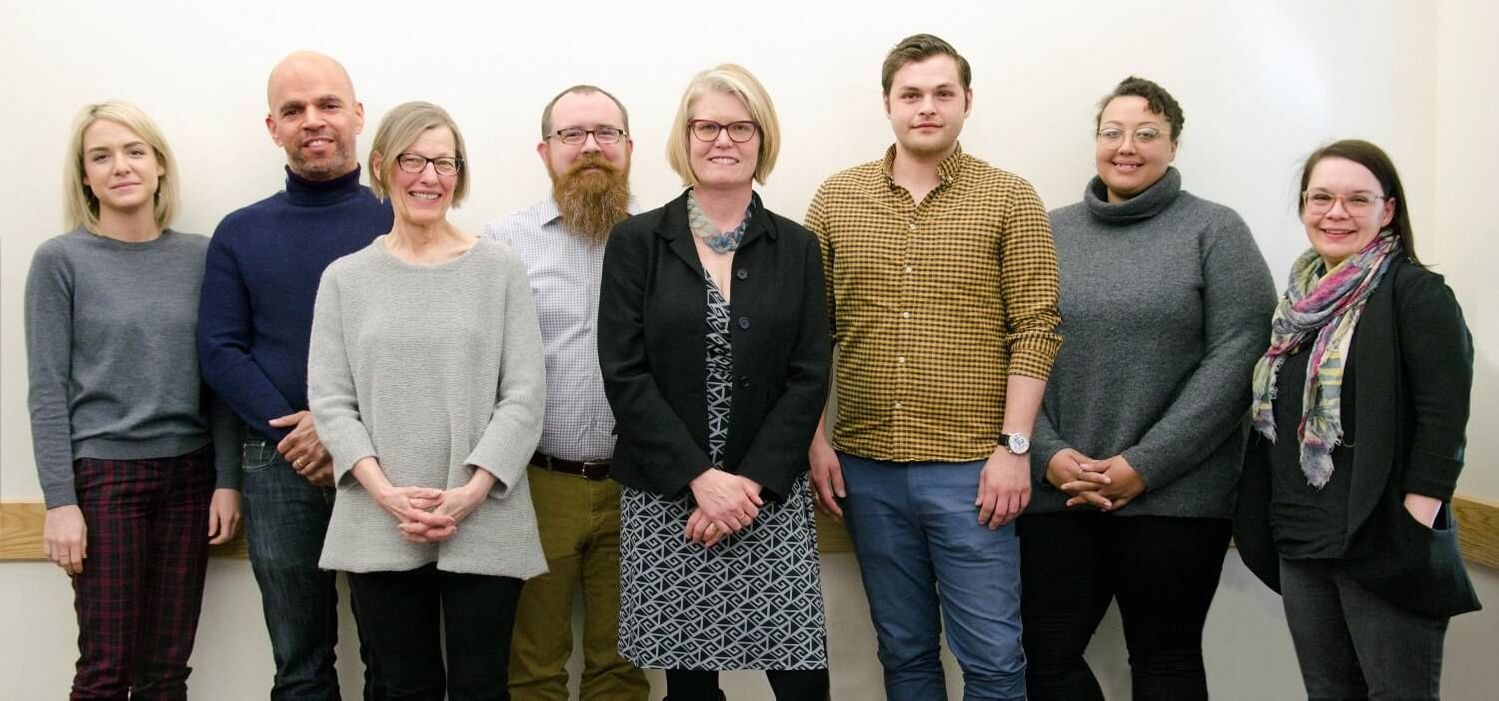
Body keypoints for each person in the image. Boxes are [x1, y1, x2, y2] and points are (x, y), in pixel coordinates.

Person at [803, 34, 1061, 700]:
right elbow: (805, 334)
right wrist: (814, 439)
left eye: (942, 93)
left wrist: (1014, 448)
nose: (926, 107)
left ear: (966, 102)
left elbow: (1036, 328)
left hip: (973, 469)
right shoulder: (836, 199)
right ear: (886, 103)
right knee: (904, 652)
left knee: (996, 660)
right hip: (865, 466)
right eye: (910, 94)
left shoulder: (1009, 198)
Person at [1018, 77, 1275, 700]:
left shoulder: (1215, 230)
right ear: (1096, 143)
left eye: (1146, 133)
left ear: (1174, 145)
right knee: (1043, 659)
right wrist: (1048, 455)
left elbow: (1240, 354)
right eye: (1112, 132)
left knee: (1165, 661)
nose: (1126, 146)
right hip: (1062, 493)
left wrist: (1145, 464)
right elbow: (1017, 344)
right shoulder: (1047, 230)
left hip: (1177, 500)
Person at [598, 64, 831, 701]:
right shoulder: (637, 242)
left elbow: (809, 375)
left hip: (770, 497)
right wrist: (701, 481)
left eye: (740, 126)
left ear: (763, 138)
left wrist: (747, 485)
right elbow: (624, 373)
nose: (722, 139)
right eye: (707, 126)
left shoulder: (799, 247)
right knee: (691, 690)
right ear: (685, 136)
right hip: (671, 497)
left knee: (801, 683)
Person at [309, 100, 548, 701]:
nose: (430, 176)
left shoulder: (498, 268)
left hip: (485, 514)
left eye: (445, 162)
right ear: (383, 166)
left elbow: (524, 393)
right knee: (403, 687)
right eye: (413, 160)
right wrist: (386, 493)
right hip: (379, 517)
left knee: (481, 688)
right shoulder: (345, 278)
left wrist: (471, 491)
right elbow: (332, 403)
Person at [1234, 139, 1480, 700]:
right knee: (1329, 693)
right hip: (1300, 540)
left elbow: (1444, 426)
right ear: (1303, 207)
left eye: (1356, 199)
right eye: (1321, 197)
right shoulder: (1296, 309)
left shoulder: (1417, 295)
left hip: (1383, 541)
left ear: (1387, 209)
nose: (1335, 213)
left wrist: (1413, 529)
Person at [26, 100, 241, 699]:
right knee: (105, 671)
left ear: (159, 166)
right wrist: (60, 502)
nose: (120, 166)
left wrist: (227, 479)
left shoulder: (202, 257)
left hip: (189, 478)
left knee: (166, 674)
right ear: (86, 176)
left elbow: (219, 377)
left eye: (134, 151)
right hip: (105, 481)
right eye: (102, 156)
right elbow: (46, 389)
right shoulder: (60, 261)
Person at [197, 50, 389, 698]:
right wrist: (297, 429)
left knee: (395, 656)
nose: (313, 120)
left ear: (358, 115)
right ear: (272, 126)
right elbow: (221, 348)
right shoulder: (240, 232)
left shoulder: (398, 221)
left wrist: (338, 426)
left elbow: (419, 347)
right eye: (293, 109)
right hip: (277, 460)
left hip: (384, 456)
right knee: (300, 663)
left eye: (328, 104)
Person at [483, 84, 649, 701]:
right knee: (534, 668)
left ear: (629, 147)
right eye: (572, 135)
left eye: (605, 133)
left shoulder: (662, 237)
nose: (590, 147)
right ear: (545, 150)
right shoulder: (503, 240)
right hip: (536, 484)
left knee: (623, 667)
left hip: (640, 486)